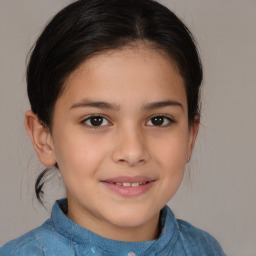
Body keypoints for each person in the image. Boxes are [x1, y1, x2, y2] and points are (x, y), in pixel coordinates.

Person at [0, 0, 227, 255]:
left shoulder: (206, 250)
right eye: (96, 120)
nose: (132, 152)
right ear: (44, 138)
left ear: (190, 137)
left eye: (158, 120)